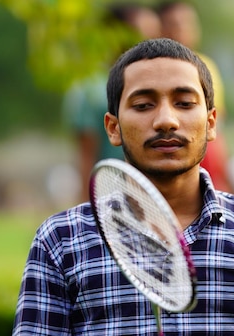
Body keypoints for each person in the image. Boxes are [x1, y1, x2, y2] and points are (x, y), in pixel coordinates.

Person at [11, 38, 234, 336]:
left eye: (184, 103)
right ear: (113, 128)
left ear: (211, 123)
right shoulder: (62, 238)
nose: (166, 121)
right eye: (143, 105)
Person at [63, 3, 161, 202]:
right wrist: (88, 206)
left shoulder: (163, 83)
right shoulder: (91, 89)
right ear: (115, 36)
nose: (151, 43)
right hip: (111, 198)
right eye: (141, 35)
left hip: (154, 200)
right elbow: (86, 156)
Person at [157, 0, 233, 192]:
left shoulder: (207, 65)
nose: (183, 30)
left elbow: (218, 122)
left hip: (206, 155)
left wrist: (224, 169)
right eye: (175, 24)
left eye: (189, 24)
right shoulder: (151, 69)